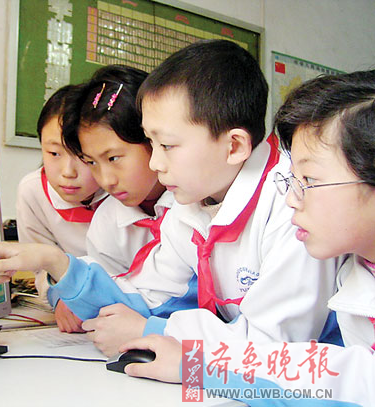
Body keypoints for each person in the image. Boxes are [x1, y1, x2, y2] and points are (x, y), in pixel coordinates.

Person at [121, 69, 375, 407]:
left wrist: (195, 366)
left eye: (310, 181)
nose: (291, 199)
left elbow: (346, 381)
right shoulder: (359, 270)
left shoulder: (289, 224)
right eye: (294, 179)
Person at [78, 39, 337, 356]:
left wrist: (158, 332)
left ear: (234, 146)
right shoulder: (190, 203)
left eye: (167, 145)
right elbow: (151, 294)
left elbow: (277, 345)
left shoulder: (293, 204)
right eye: (151, 143)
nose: (155, 163)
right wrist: (67, 274)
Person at [0, 65, 198, 349]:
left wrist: (153, 336)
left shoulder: (197, 206)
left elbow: (208, 328)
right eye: (92, 161)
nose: (105, 180)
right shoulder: (110, 216)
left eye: (113, 158)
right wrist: (57, 273)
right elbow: (118, 302)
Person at [15, 84, 106, 333]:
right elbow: (41, 266)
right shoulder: (33, 191)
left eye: (83, 157)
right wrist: (59, 297)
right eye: (54, 153)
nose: (67, 172)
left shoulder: (123, 191)